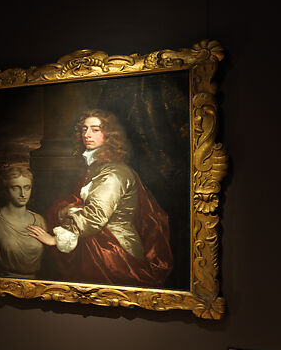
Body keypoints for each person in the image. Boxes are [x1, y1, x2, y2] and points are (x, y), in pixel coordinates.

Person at [27, 109, 172, 286]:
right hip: (103, 240)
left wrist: (56, 239)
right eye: (84, 129)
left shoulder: (113, 173)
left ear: (109, 135)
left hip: (116, 250)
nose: (87, 134)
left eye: (95, 129)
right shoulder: (97, 167)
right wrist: (67, 209)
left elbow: (95, 216)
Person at [0, 164, 45, 278]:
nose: (22, 194)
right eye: (16, 188)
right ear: (6, 189)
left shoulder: (39, 220)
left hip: (35, 285)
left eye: (27, 187)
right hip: (5, 284)